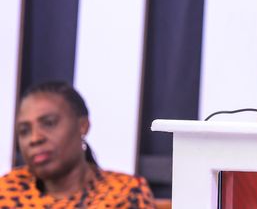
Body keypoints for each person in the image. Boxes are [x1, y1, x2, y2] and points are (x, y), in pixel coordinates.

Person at [0, 81, 157, 209]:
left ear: (82, 126)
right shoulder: (8, 190)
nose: (34, 138)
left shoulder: (124, 192)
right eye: (24, 131)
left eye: (49, 123)